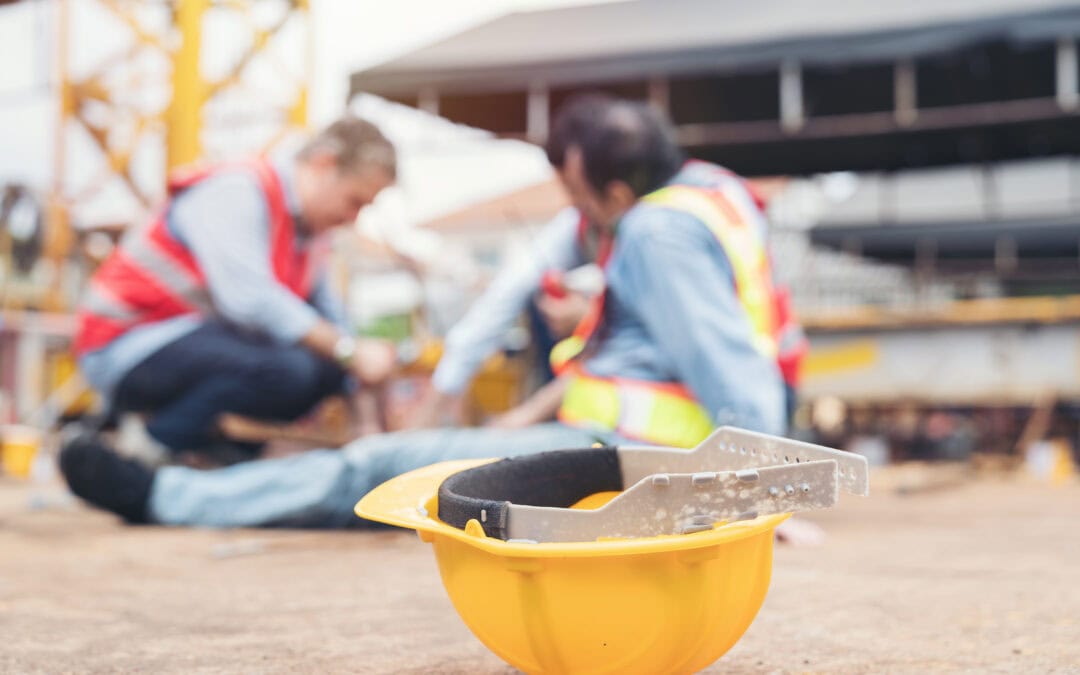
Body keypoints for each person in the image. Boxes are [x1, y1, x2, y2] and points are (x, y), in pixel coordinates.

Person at [60, 95, 787, 527]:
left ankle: (168, 493)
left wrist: (753, 493)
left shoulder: (657, 233)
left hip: (618, 457)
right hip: (133, 343)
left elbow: (728, 364)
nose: (570, 211)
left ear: (616, 191)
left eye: (573, 191)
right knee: (341, 416)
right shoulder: (707, 201)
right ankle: (195, 466)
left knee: (377, 468)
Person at [73, 117, 399, 461]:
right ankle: (148, 448)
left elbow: (331, 323)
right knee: (289, 370)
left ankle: (216, 449)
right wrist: (351, 352)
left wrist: (358, 380)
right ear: (323, 165)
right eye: (354, 201)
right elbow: (250, 300)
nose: (354, 218)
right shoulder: (237, 190)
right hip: (126, 344)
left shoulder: (310, 235)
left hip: (200, 343)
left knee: (322, 369)